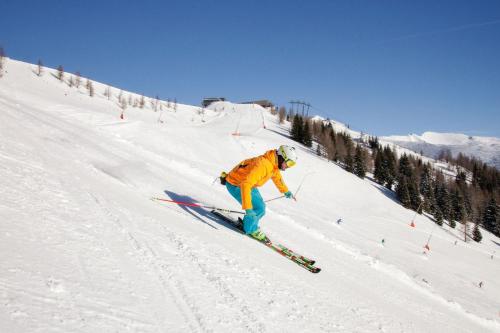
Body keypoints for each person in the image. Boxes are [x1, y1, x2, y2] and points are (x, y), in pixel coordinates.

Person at [222, 145, 297, 240]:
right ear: (282, 157)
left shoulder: (273, 164)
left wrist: (285, 191)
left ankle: (248, 224)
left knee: (261, 207)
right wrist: (248, 209)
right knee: (258, 208)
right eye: (289, 163)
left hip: (246, 183)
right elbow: (246, 185)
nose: (288, 167)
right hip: (236, 184)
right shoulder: (263, 166)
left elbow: (277, 177)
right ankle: (250, 229)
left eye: (292, 165)